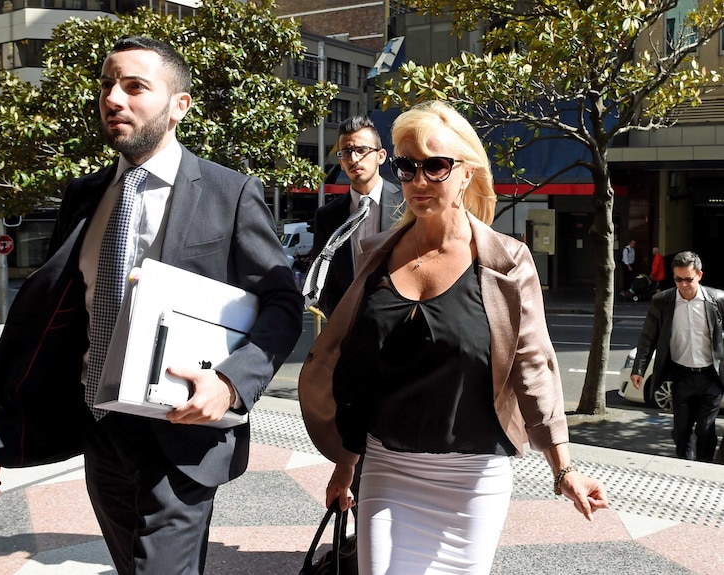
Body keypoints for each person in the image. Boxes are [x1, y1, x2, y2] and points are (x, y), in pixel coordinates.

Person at [0, 36, 302, 574]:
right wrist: (0, 436)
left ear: (178, 106)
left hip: (181, 428)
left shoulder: (229, 192)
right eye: (106, 86)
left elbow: (283, 304)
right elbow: (53, 328)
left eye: (134, 86)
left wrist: (233, 381)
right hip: (100, 427)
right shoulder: (84, 197)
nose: (113, 98)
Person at [299, 100, 608, 575]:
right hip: (387, 465)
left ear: (466, 173)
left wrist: (562, 467)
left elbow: (533, 365)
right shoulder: (375, 253)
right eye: (407, 166)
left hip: (472, 477)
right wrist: (345, 465)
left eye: (436, 166)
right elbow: (363, 371)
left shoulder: (506, 262)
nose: (418, 181)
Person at [631, 251, 724, 462]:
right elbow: (648, 337)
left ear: (700, 275)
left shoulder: (717, 300)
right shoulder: (662, 301)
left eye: (688, 279)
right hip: (681, 376)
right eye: (678, 279)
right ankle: (684, 467)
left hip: (711, 376)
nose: (683, 284)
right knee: (681, 431)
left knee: (705, 429)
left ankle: (704, 468)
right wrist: (639, 369)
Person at [310, 115, 404, 317]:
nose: (353, 159)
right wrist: (342, 321)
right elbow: (322, 280)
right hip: (349, 334)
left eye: (361, 150)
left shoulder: (407, 204)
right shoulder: (327, 216)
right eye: (346, 153)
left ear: (381, 156)